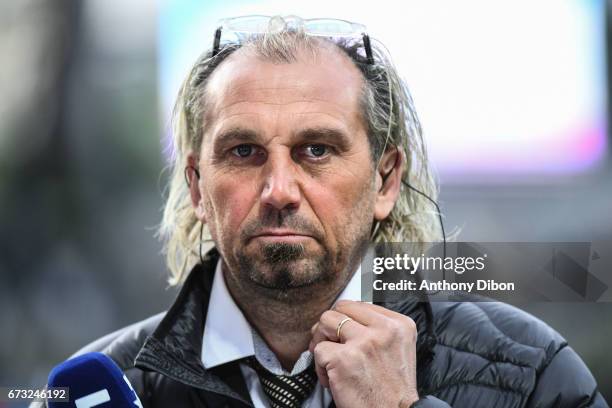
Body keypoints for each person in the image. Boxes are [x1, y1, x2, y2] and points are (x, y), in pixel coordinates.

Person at [41, 15, 608, 408]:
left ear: (385, 180)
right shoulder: (100, 387)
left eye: (317, 150)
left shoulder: (530, 374)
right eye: (244, 152)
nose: (279, 189)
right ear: (196, 185)